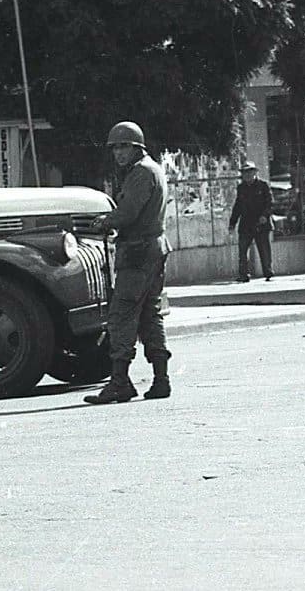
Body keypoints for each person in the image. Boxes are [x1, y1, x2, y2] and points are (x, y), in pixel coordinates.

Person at [86, 121, 173, 404]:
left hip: (137, 252)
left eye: (124, 147)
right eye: (116, 148)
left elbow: (128, 213)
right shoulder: (154, 170)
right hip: (153, 249)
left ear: (137, 147)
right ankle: (161, 379)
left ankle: (120, 382)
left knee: (122, 314)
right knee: (150, 313)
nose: (119, 153)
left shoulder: (140, 173)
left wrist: (105, 222)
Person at [228, 161, 275, 282]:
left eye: (250, 172)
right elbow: (237, 206)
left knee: (264, 249)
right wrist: (232, 223)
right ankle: (244, 274)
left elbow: (270, 203)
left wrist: (265, 215)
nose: (247, 175)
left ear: (255, 172)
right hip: (246, 223)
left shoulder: (263, 185)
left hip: (261, 223)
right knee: (243, 250)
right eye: (244, 173)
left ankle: (268, 272)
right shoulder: (241, 188)